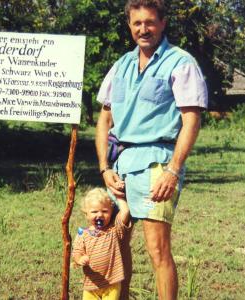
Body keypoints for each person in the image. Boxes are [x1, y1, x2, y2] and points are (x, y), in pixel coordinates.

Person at [95, 0, 208, 299]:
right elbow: (105, 119)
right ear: (130, 26)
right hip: (119, 166)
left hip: (157, 164)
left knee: (158, 249)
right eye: (137, 23)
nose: (143, 29)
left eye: (149, 22)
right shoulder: (121, 65)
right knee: (116, 244)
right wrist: (105, 168)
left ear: (162, 23)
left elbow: (191, 120)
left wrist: (173, 170)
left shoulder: (180, 63)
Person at [72, 187, 132, 300]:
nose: (99, 215)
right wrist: (80, 259)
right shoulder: (83, 234)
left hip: (111, 283)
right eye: (94, 212)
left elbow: (125, 212)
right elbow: (77, 251)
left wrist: (118, 195)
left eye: (105, 211)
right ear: (86, 214)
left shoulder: (114, 230)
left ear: (111, 211)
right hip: (91, 285)